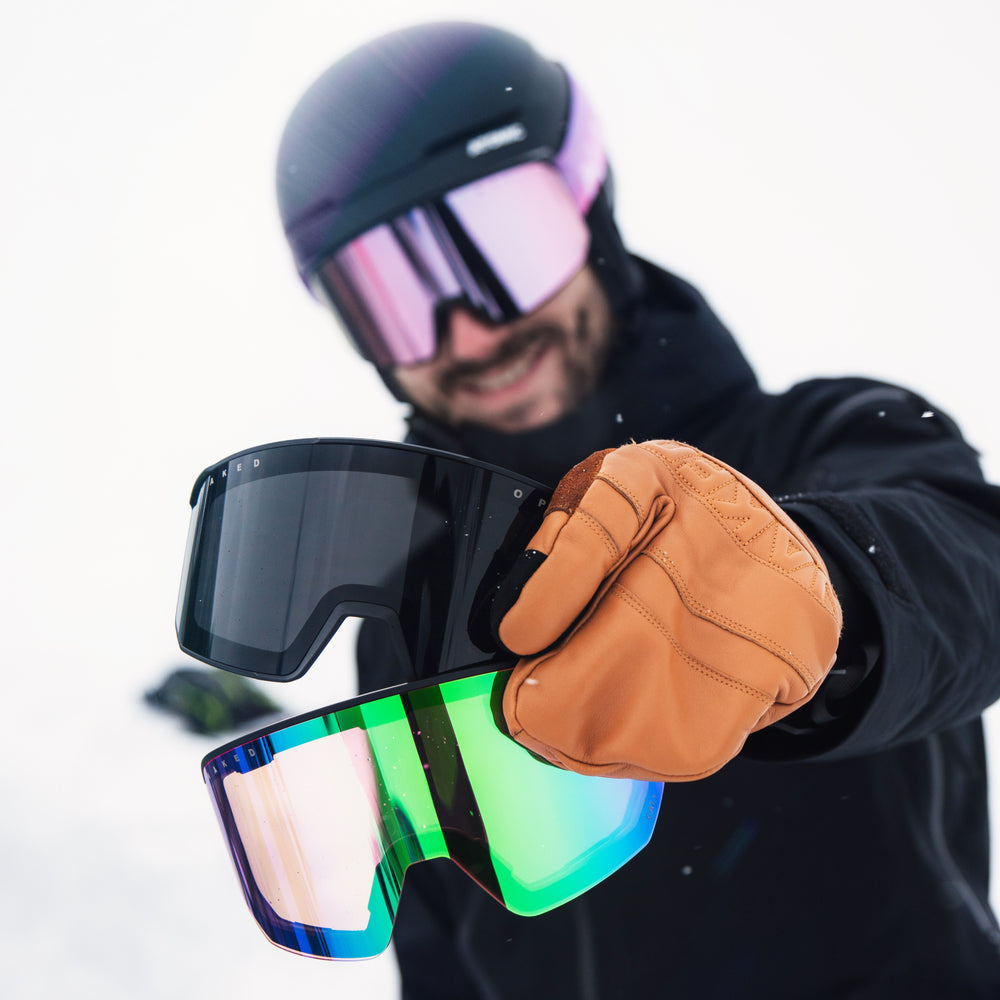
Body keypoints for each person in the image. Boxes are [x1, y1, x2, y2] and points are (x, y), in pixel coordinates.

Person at [274, 21, 1000, 998]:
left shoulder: (826, 438)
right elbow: (442, 945)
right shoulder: (409, 623)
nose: (468, 331)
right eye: (390, 295)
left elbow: (968, 570)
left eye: (500, 244)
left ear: (590, 207)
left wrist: (814, 590)